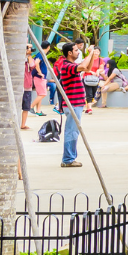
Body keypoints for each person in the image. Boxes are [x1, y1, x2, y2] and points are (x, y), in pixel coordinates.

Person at [53, 40, 89, 168]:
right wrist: (90, 54)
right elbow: (84, 67)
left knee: (73, 131)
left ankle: (70, 157)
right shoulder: (67, 66)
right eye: (76, 50)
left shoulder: (70, 65)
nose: (78, 52)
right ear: (69, 53)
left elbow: (87, 67)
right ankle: (68, 159)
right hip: (72, 104)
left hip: (75, 104)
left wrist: (92, 55)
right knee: (72, 131)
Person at [21, 51, 41, 130]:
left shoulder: (29, 59)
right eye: (27, 48)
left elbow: (32, 66)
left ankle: (23, 124)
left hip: (27, 86)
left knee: (26, 107)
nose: (30, 49)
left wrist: (29, 56)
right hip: (20, 86)